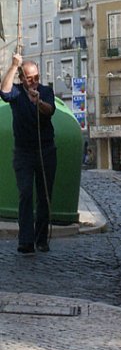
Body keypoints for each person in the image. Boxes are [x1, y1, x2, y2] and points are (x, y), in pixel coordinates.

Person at [0, 52, 56, 254]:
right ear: (22, 78)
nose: (34, 82)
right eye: (30, 78)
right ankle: (25, 241)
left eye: (37, 77)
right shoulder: (16, 93)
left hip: (46, 150)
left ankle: (41, 240)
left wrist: (38, 102)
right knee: (25, 193)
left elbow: (50, 110)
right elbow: (4, 91)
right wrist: (14, 65)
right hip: (23, 152)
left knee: (44, 195)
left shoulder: (46, 91)